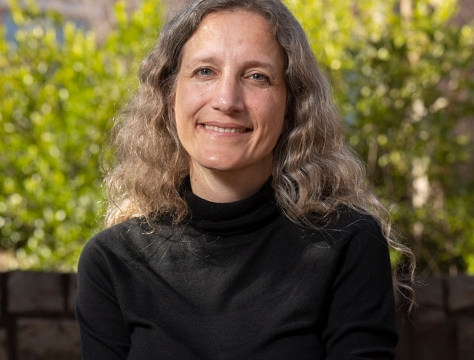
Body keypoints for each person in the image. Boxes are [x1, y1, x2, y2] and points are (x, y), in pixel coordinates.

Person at [75, 0, 414, 359]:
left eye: (257, 77)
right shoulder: (112, 262)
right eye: (205, 71)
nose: (227, 100)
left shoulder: (347, 243)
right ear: (170, 95)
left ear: (290, 107)